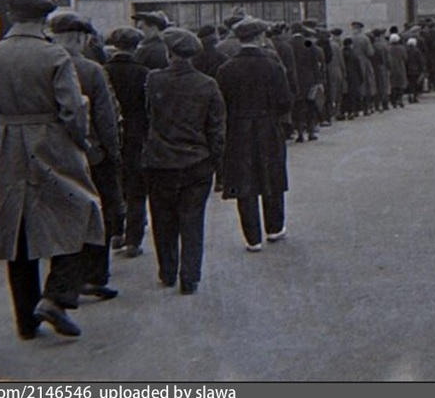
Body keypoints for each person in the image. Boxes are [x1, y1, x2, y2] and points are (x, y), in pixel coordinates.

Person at [0, 0, 104, 340]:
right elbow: (73, 111)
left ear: (14, 16)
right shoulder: (53, 56)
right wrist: (80, 142)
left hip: (7, 146)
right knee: (81, 213)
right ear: (44, 18)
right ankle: (57, 295)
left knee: (17, 230)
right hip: (51, 143)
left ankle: (26, 321)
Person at [47, 12, 123, 302]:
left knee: (63, 217)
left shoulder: (44, 64)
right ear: (80, 38)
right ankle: (94, 276)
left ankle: (65, 279)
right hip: (91, 155)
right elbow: (106, 117)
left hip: (51, 155)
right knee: (99, 213)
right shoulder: (91, 70)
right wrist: (113, 152)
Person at [143, 28, 225, 294]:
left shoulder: (154, 80)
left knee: (163, 219)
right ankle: (189, 277)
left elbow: (148, 117)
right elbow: (216, 128)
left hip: (160, 161)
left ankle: (167, 271)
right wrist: (216, 162)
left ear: (169, 53)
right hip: (196, 162)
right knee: (193, 221)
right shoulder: (207, 84)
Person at [216, 17, 294, 251]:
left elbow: (221, 104)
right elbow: (285, 101)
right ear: (260, 37)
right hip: (268, 127)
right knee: (272, 175)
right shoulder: (273, 65)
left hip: (238, 129)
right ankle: (274, 228)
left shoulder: (226, 69)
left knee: (244, 181)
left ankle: (252, 238)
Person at [103, 26, 150, 259]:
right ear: (136, 46)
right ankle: (133, 239)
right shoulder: (143, 73)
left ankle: (115, 233)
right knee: (137, 189)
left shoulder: (102, 71)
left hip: (110, 135)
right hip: (137, 135)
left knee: (113, 185)